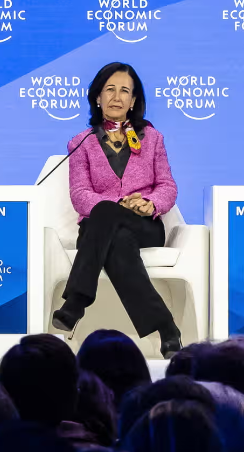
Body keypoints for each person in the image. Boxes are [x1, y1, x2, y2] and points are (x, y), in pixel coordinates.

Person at [52, 60, 184, 357]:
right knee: (114, 233)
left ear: (134, 100)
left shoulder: (153, 139)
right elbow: (80, 194)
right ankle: (167, 328)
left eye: (125, 91)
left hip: (144, 225)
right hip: (103, 225)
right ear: (97, 97)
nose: (116, 96)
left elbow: (167, 186)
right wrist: (112, 205)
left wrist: (149, 203)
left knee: (110, 221)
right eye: (109, 89)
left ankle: (76, 302)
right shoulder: (81, 143)